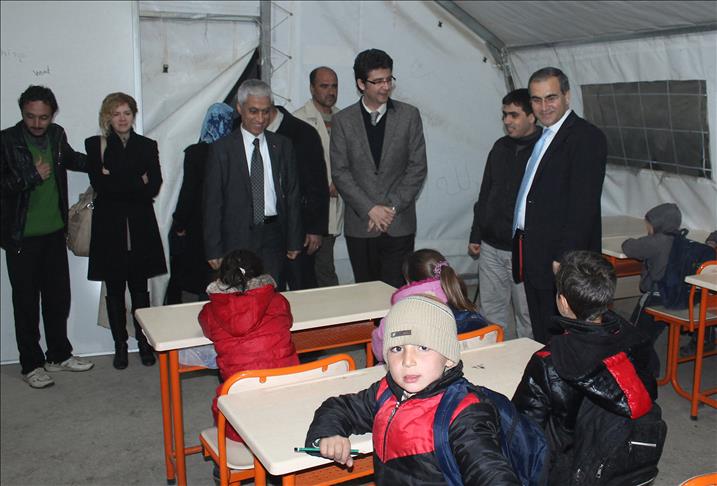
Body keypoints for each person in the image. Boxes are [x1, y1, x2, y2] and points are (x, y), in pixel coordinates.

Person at [305, 295, 520, 485]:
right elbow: (341, 407)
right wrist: (329, 434)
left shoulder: (464, 413)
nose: (408, 361)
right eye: (397, 349)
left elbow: (488, 470)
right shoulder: (386, 392)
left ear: (449, 358)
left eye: (423, 347)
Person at [512, 250, 657, 484]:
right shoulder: (637, 340)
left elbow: (524, 432)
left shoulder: (549, 362)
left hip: (568, 472)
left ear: (563, 302)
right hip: (624, 461)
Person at [1, 85, 94, 388]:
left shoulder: (56, 135)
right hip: (21, 237)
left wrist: (106, 162)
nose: (37, 123)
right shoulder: (7, 140)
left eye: (43, 117)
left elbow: (73, 160)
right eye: (31, 116)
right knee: (26, 303)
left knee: (58, 298)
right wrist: (30, 176)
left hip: (54, 233)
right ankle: (31, 364)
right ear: (22, 113)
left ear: (52, 115)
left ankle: (58, 355)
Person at [512, 67, 607, 343]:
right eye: (536, 99)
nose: (544, 107)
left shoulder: (586, 137)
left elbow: (584, 205)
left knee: (564, 336)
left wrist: (563, 258)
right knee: (542, 331)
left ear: (567, 96)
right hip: (533, 252)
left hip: (560, 259)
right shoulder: (542, 137)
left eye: (551, 98)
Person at [331, 49, 427, 288]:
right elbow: (340, 171)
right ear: (361, 84)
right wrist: (370, 209)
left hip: (399, 224)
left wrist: (390, 208)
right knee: (366, 293)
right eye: (378, 81)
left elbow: (417, 167)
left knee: (397, 293)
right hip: (361, 225)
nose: (386, 87)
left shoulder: (409, 115)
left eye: (389, 79)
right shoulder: (343, 120)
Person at [86, 92, 167, 369]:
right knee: (114, 291)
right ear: (107, 117)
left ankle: (143, 342)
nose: (122, 119)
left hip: (140, 228)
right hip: (109, 230)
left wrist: (116, 176)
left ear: (133, 116)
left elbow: (153, 185)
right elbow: (100, 184)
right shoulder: (95, 145)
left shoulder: (147, 145)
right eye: (116, 113)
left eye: (127, 113)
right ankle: (119, 344)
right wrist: (135, 179)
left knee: (140, 290)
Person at [203, 79, 302, 288]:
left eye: (266, 112)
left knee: (270, 293)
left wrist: (294, 239)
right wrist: (213, 248)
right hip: (236, 238)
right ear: (240, 109)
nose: (260, 118)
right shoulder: (222, 150)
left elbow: (292, 194)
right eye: (253, 111)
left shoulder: (282, 145)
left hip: (273, 236)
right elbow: (213, 202)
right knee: (240, 295)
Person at [199, 249, 299, 442]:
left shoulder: (210, 311)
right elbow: (287, 321)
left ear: (221, 278)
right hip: (288, 404)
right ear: (260, 274)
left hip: (241, 418)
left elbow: (208, 330)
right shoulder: (278, 302)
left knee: (224, 401)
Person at [469, 88, 539, 340]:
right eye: (504, 115)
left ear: (532, 116)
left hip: (524, 249)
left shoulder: (545, 149)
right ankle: (495, 358)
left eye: (514, 115)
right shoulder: (500, 147)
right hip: (491, 246)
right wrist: (476, 234)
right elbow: (486, 192)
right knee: (491, 313)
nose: (507, 121)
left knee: (527, 315)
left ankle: (529, 360)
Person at [165, 102, 234, 304]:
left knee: (198, 277)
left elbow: (188, 191)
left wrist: (179, 222)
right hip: (226, 224)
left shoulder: (196, 153)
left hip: (198, 223)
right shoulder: (233, 151)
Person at [371, 248, 490, 361]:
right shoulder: (460, 298)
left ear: (408, 281)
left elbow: (380, 353)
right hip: (473, 363)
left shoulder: (398, 314)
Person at [266, 102, 329, 290]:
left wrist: (315, 228)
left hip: (299, 226)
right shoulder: (243, 130)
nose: (257, 117)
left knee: (302, 285)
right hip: (262, 231)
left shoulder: (303, 132)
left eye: (261, 110)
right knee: (266, 288)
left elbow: (317, 183)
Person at [294, 66, 343, 287]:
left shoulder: (344, 118)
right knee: (313, 271)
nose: (330, 91)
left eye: (334, 86)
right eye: (324, 86)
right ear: (312, 88)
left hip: (335, 206)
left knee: (324, 266)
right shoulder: (298, 120)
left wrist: (341, 182)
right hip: (308, 210)